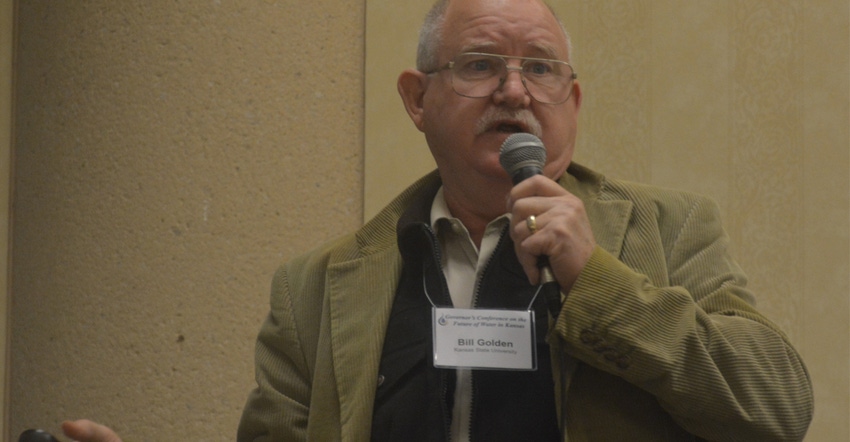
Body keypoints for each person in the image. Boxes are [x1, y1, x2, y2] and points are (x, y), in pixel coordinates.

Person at [62, 0, 814, 441]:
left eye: (542, 69)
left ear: (572, 105)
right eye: (481, 64)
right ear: (417, 99)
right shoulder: (317, 288)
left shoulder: (667, 230)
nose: (515, 91)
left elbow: (778, 405)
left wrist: (601, 282)